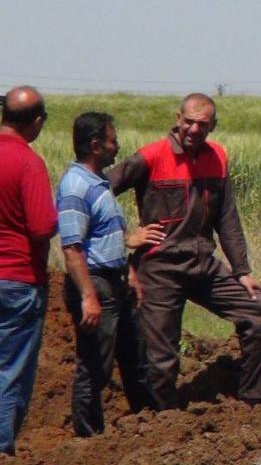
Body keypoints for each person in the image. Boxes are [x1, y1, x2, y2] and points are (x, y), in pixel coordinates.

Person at [109, 94, 261, 413]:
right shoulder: (151, 156)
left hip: (203, 265)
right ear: (178, 117)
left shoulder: (217, 157)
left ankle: (257, 401)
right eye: (188, 121)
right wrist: (126, 237)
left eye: (202, 124)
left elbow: (227, 218)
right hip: (159, 268)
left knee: (260, 311)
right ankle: (163, 422)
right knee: (161, 359)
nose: (193, 129)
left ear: (213, 126)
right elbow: (99, 191)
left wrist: (242, 271)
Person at [57, 112, 161, 436]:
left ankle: (150, 427)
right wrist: (88, 297)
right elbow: (73, 248)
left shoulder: (99, 182)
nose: (118, 147)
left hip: (115, 281)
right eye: (113, 140)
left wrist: (128, 272)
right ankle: (89, 440)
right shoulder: (76, 186)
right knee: (95, 367)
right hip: (96, 284)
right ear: (95, 145)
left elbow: (102, 236)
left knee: (135, 359)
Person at [0, 86, 57, 455]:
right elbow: (40, 226)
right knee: (10, 372)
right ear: (36, 123)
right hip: (18, 279)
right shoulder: (28, 162)